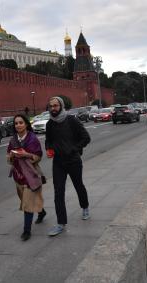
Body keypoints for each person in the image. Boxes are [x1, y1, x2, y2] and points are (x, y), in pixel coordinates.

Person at [45, 96, 91, 236]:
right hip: (58, 162)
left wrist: (74, 149)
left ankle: (85, 207)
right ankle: (61, 223)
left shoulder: (71, 120)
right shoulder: (49, 124)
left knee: (79, 185)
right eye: (51, 106)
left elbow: (86, 138)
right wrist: (49, 149)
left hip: (73, 160)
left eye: (55, 106)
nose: (53, 108)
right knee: (58, 192)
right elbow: (48, 141)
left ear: (61, 106)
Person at [7, 114, 46, 241]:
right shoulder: (13, 140)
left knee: (27, 204)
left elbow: (38, 156)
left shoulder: (32, 139)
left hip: (30, 175)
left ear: (26, 124)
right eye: (16, 123)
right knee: (24, 200)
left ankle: (26, 231)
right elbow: (8, 157)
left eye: (21, 123)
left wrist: (26, 154)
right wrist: (11, 156)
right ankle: (41, 212)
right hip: (18, 175)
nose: (18, 125)